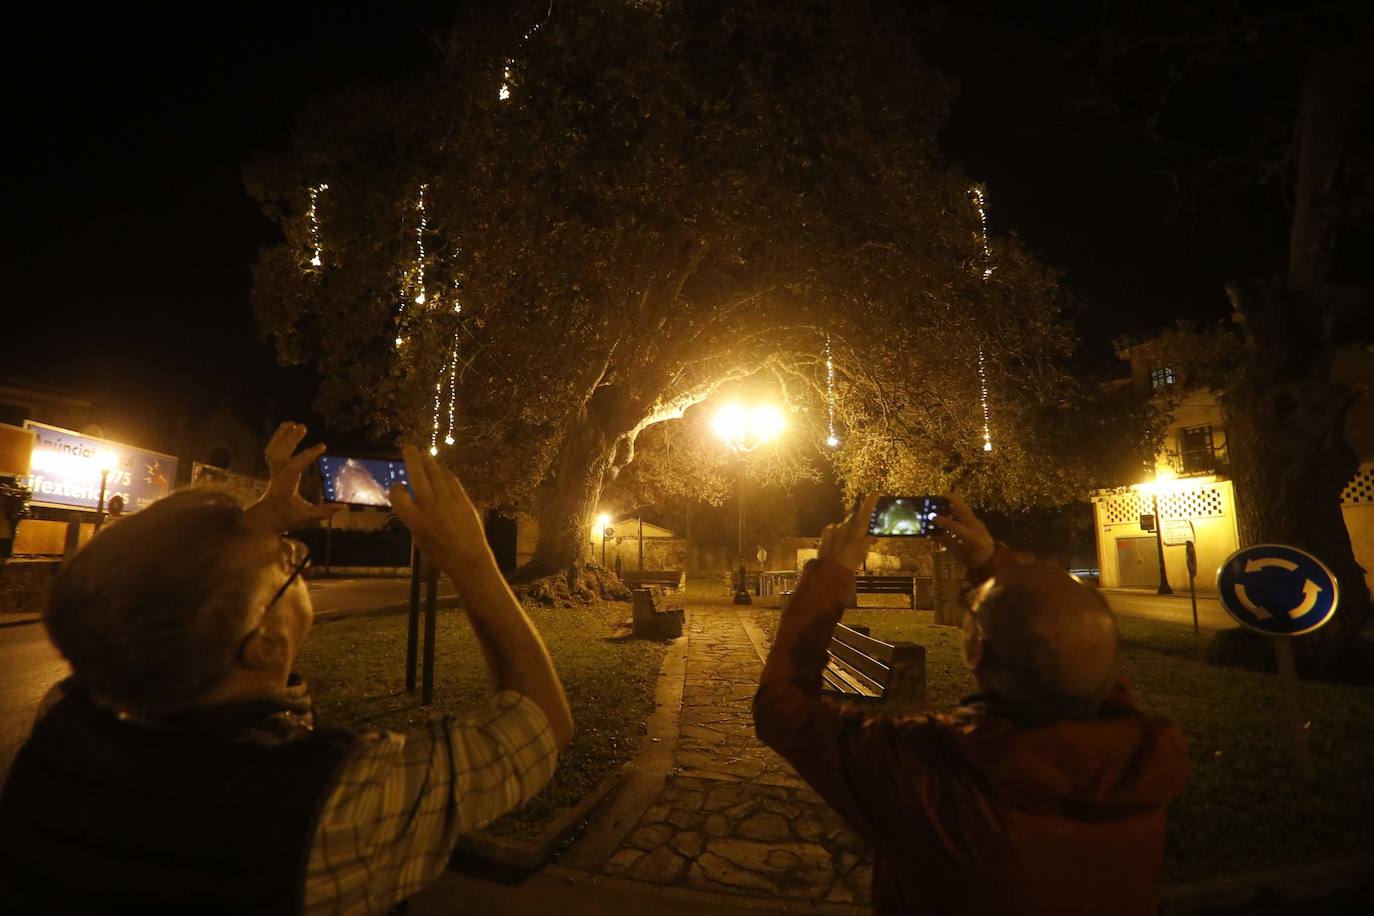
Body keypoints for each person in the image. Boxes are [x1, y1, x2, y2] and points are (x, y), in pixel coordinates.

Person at [0, 423, 573, 915]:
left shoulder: (63, 732)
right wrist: (472, 561)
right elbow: (539, 724)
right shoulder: (335, 803)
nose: (287, 550)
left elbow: (130, 603)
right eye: (283, 560)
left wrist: (263, 518)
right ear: (267, 645)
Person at [753, 494, 1189, 916]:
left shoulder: (929, 773)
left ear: (976, 653)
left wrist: (830, 571)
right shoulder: (1142, 761)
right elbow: (1074, 658)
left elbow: (782, 705)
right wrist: (989, 564)